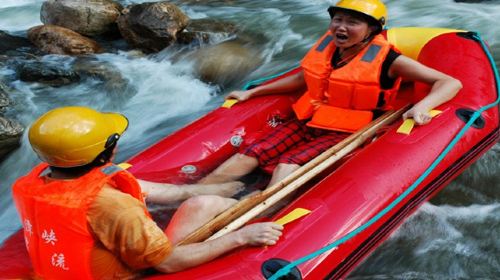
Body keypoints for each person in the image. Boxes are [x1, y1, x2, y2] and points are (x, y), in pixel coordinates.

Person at [199, 0, 462, 188]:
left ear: (372, 29)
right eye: (338, 19)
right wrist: (255, 92)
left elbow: (450, 82)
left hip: (347, 130)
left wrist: (423, 106)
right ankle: (197, 191)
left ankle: (262, 208)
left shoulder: (390, 60)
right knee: (254, 152)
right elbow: (305, 78)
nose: (341, 27)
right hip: (310, 118)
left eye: (353, 22)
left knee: (288, 163)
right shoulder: (330, 47)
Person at [12, 106, 283, 279]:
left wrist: (199, 189)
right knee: (206, 205)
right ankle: (259, 205)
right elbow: (166, 264)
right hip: (127, 274)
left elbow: (136, 187)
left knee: (202, 199)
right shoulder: (113, 206)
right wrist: (240, 237)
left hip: (65, 269)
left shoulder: (31, 182)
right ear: (107, 150)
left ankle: (232, 198)